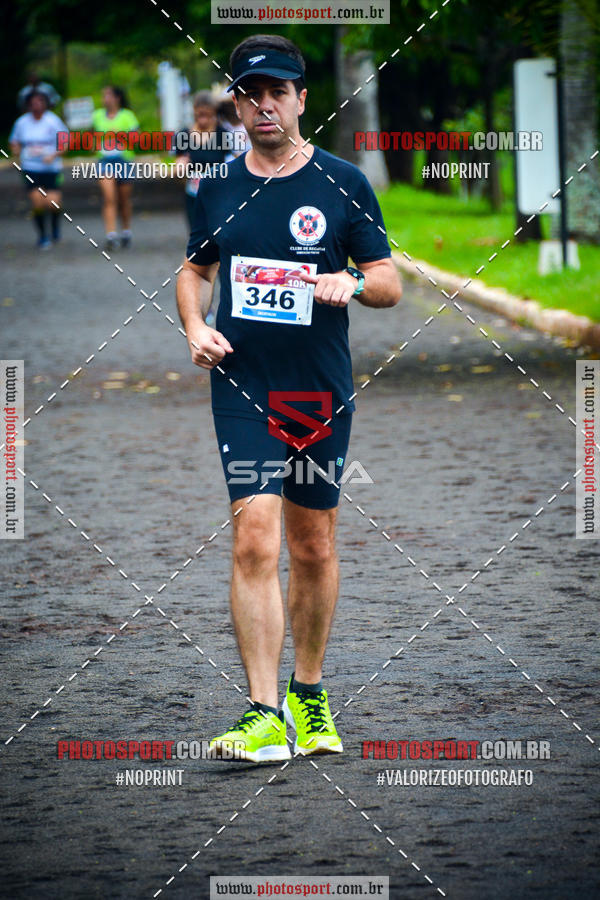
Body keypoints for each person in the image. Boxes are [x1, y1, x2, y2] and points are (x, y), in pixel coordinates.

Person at [176, 34, 402, 763]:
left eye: (278, 91)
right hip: (244, 384)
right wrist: (193, 326)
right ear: (236, 103)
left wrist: (354, 284)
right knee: (254, 536)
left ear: (303, 99)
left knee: (312, 545)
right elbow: (196, 269)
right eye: (251, 93)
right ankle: (263, 712)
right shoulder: (215, 186)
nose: (264, 104)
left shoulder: (342, 182)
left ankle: (308, 694)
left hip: (316, 389)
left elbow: (390, 282)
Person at [9, 90, 69, 249]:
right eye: (33, 103)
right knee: (37, 201)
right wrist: (16, 151)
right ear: (28, 105)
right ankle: (43, 236)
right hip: (31, 168)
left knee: (52, 202)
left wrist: (54, 155)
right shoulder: (22, 123)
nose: (37, 105)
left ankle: (55, 228)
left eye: (40, 102)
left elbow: (65, 143)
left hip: (51, 168)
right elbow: (14, 141)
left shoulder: (53, 121)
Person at [91, 86, 139, 250]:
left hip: (123, 161)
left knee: (123, 200)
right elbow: (92, 136)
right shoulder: (97, 116)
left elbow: (136, 138)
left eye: (108, 96)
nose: (105, 99)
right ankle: (111, 235)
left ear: (118, 98)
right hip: (105, 161)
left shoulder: (127, 116)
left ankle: (126, 230)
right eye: (103, 96)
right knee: (109, 198)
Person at [175, 91, 229, 230]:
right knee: (196, 232)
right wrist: (180, 169)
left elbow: (230, 163)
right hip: (193, 195)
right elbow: (179, 169)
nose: (203, 119)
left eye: (208, 115)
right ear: (194, 111)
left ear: (214, 112)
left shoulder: (222, 134)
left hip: (218, 194)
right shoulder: (183, 135)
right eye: (200, 114)